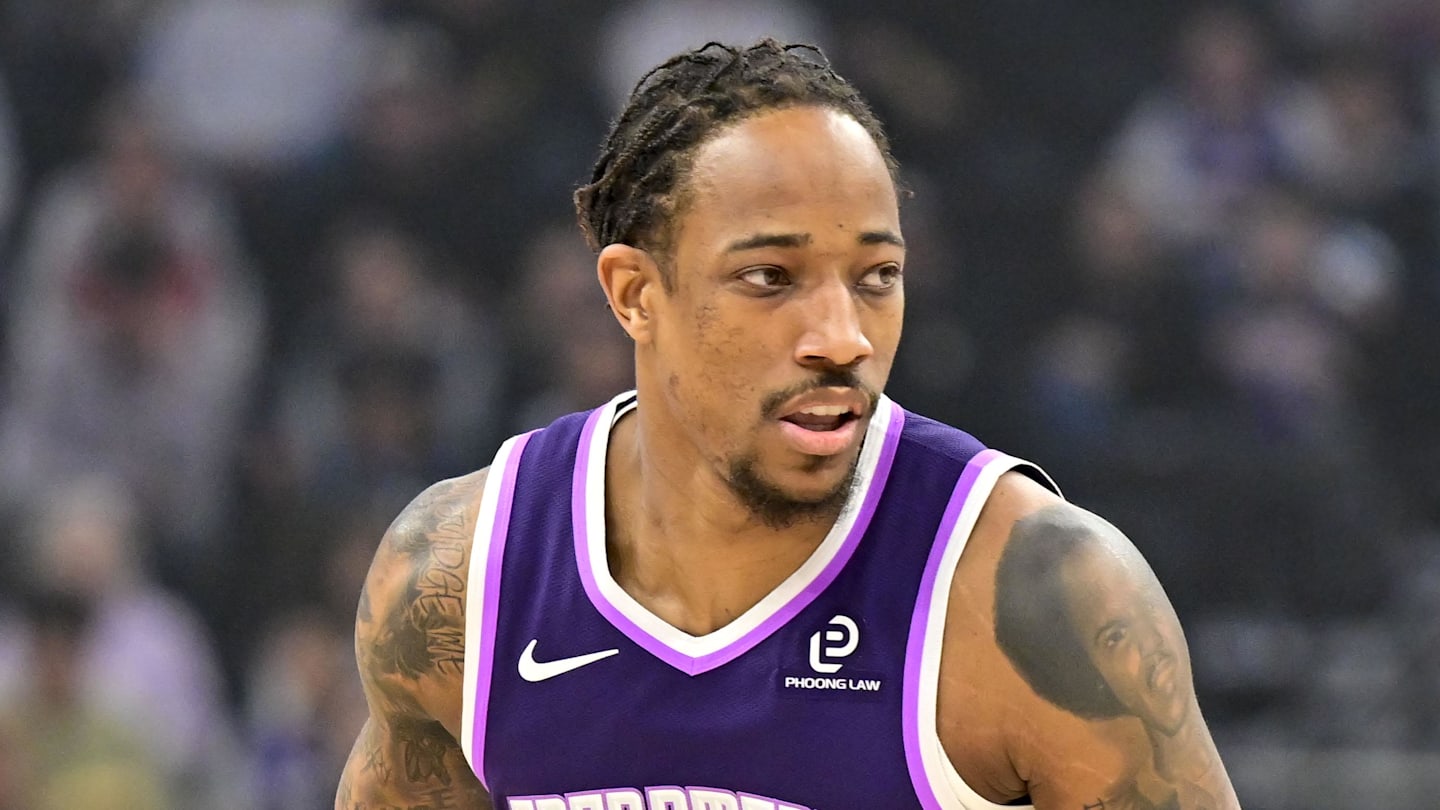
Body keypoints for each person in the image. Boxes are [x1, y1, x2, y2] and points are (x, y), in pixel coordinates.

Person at [336, 39, 1240, 809]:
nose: (842, 339)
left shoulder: (1036, 591)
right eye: (770, 278)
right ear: (635, 294)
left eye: (876, 277)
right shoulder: (458, 579)